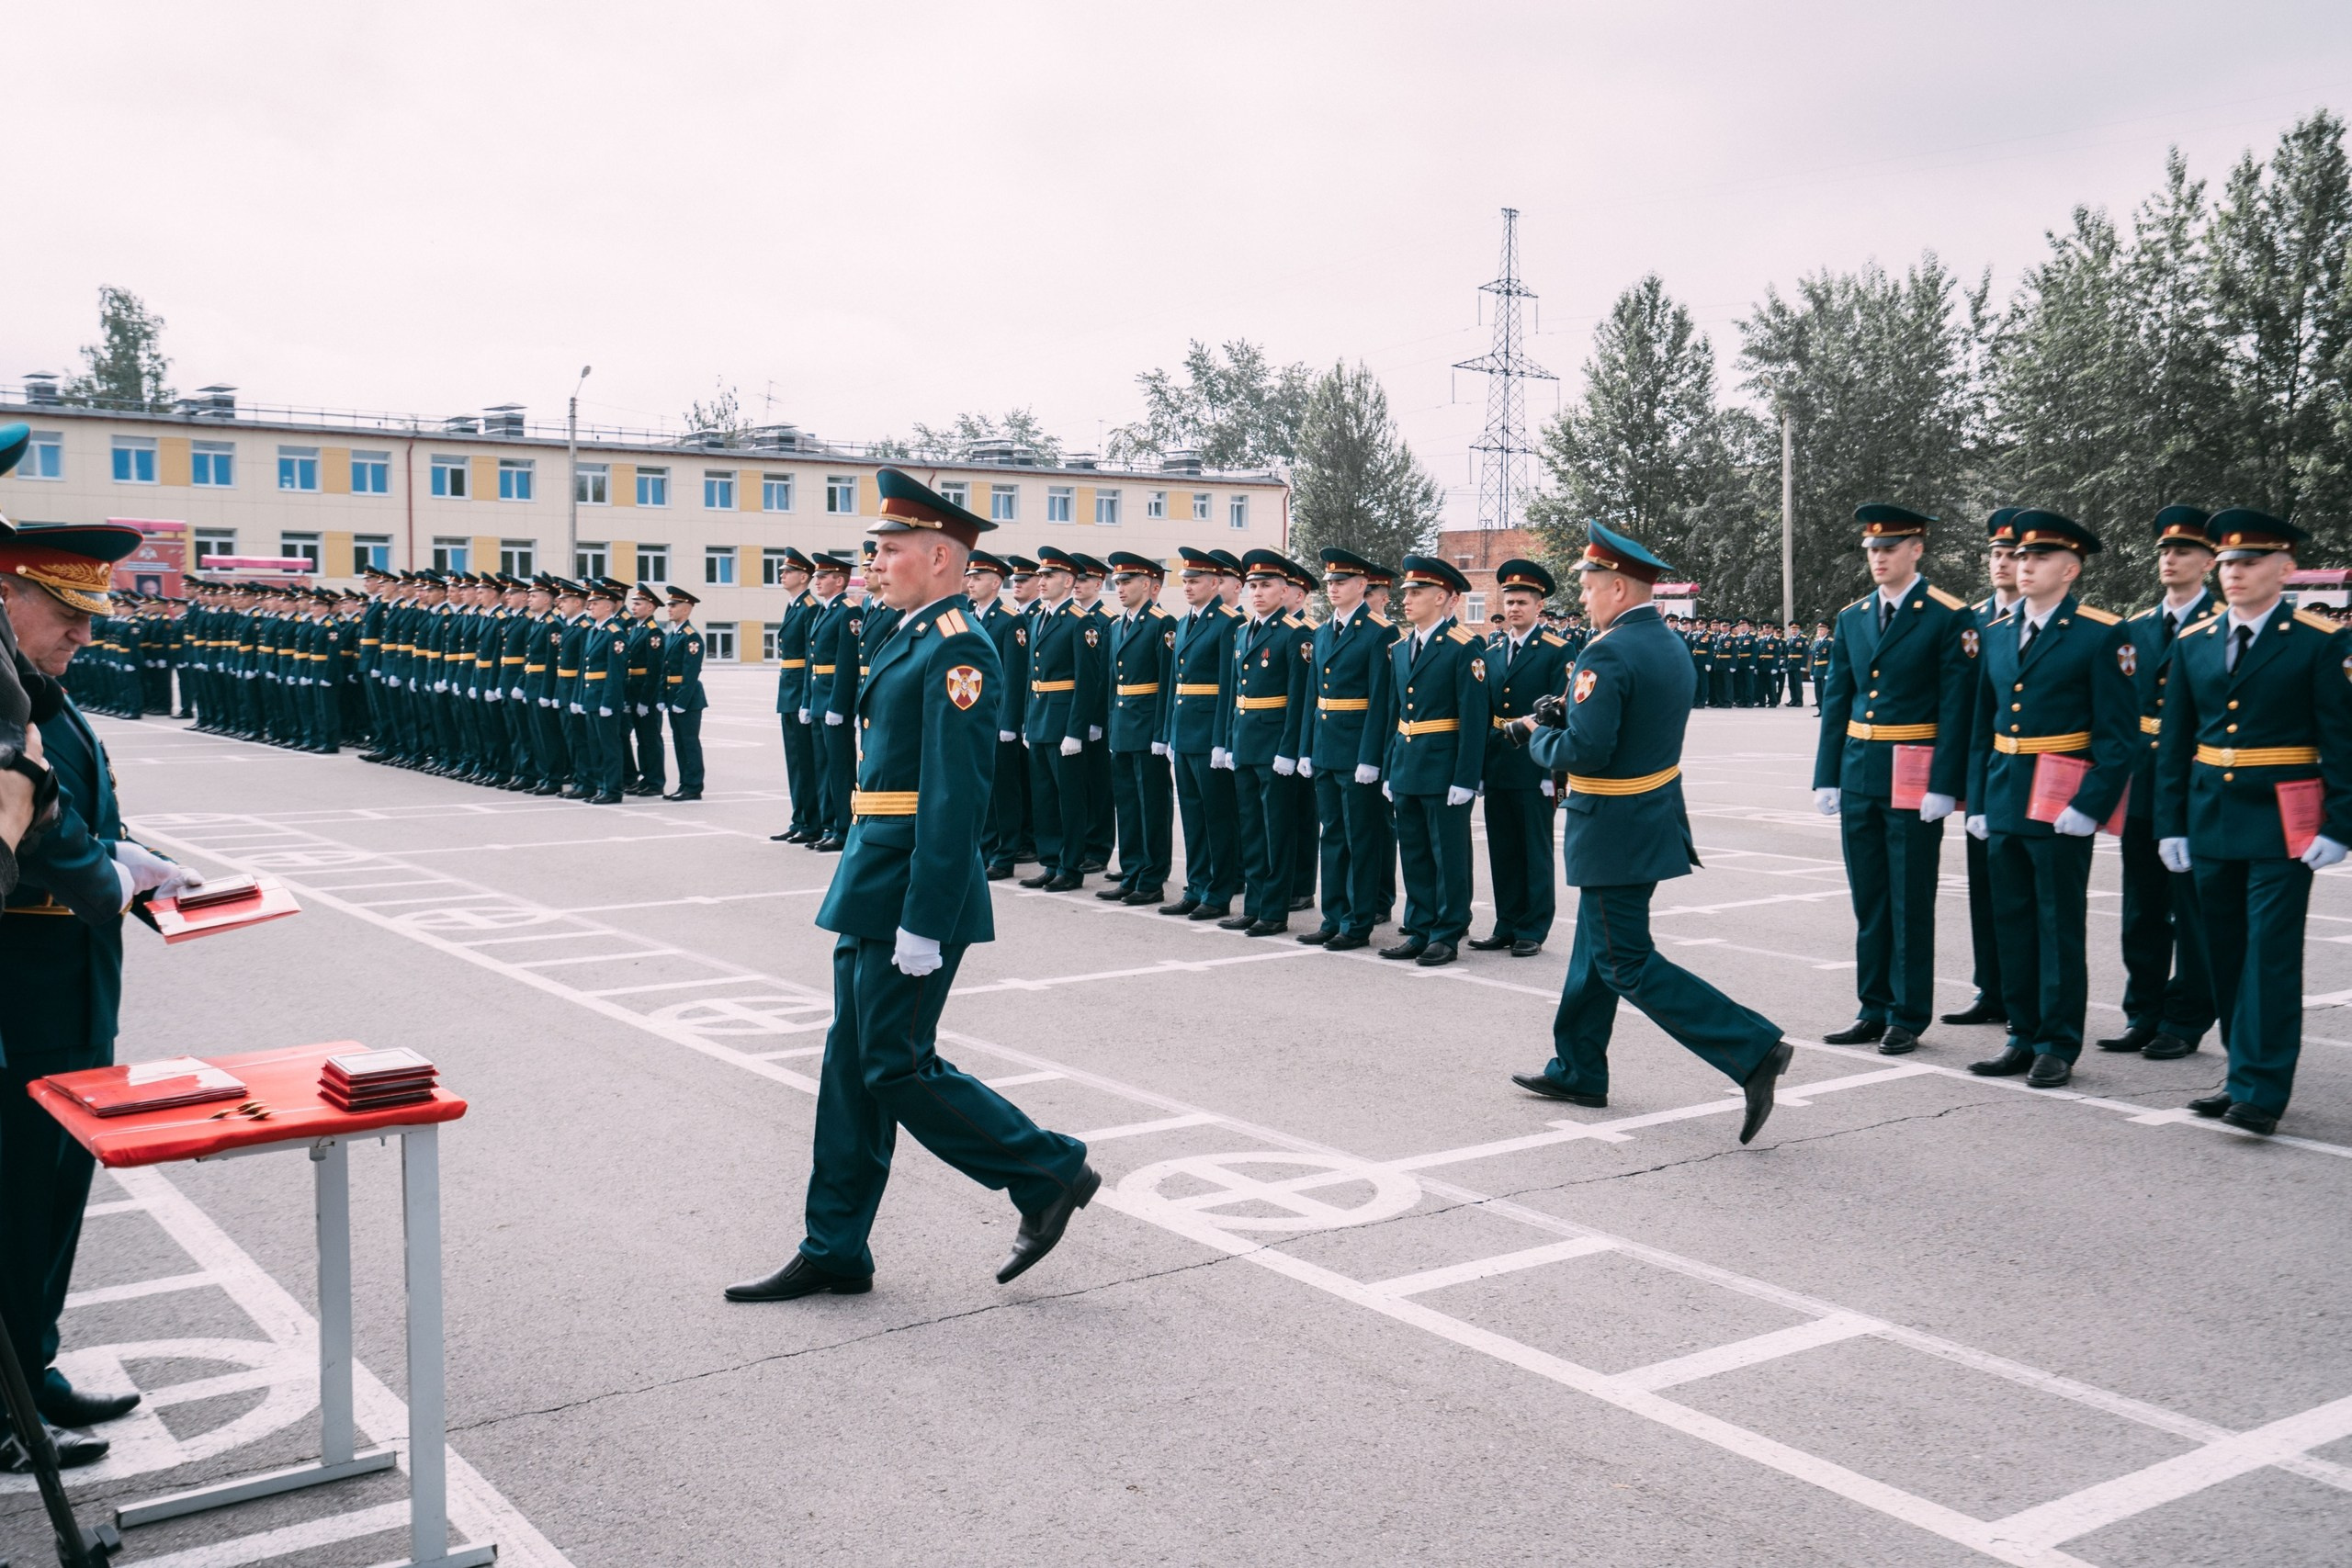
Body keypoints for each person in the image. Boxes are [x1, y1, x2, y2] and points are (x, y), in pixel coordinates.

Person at [725, 469, 1098, 1303]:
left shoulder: (960, 646)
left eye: (888, 550)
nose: (872, 564)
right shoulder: (909, 632)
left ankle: (1046, 1167)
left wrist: (926, 919)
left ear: (938, 556)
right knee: (849, 1066)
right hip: (873, 873)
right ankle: (835, 1244)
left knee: (893, 1063)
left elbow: (955, 796)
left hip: (913, 888)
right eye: (874, 550)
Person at [2, 520, 206, 1470]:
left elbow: (79, 816)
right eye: (66, 613)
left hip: (75, 985)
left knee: (53, 1194)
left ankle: (30, 1365)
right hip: (24, 991)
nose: (84, 635)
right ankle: (5, 1407)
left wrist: (136, 862)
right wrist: (112, 876)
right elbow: (38, 837)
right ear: (7, 597)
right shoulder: (11, 702)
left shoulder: (42, 693)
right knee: (14, 1200)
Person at [1504, 522, 1792, 1142]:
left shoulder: (1606, 652)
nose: (1582, 598)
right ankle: (1578, 1067)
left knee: (1624, 960)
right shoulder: (1666, 642)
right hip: (1649, 816)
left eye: (1588, 587)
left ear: (1616, 588)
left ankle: (1752, 1048)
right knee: (1595, 948)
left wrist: (1538, 736)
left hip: (1614, 826)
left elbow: (1587, 749)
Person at [2155, 509, 2351, 1135]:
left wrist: (2340, 825)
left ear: (2285, 569)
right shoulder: (2195, 640)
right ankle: (2241, 1073)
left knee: (2269, 955)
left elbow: (2341, 740)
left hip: (2282, 823)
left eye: (2250, 562)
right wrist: (2170, 823)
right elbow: (2175, 743)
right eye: (2227, 562)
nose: (2234, 572)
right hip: (2210, 818)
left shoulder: (2320, 641)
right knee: (2225, 954)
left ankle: (2261, 1091)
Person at [1963, 510, 2137, 1089]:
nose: (2024, 565)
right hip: (2005, 796)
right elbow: (1982, 726)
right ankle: (2021, 1032)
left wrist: (2089, 806)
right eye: (2020, 556)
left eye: (2039, 557)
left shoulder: (2100, 633)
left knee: (2058, 925)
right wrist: (1978, 801)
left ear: (2070, 570)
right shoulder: (1996, 631)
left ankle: (2058, 1043)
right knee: (2011, 922)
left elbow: (2118, 736)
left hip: (2062, 803)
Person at [1813, 503, 1977, 1055]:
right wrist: (1827, 775)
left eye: (1890, 548)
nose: (1879, 558)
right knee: (1870, 900)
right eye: (1873, 550)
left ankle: (1907, 1014)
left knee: (1909, 901)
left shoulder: (1948, 615)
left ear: (1916, 549)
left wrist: (1946, 784)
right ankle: (1872, 1006)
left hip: (1915, 776)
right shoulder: (1853, 616)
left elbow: (1957, 708)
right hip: (1860, 771)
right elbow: (1838, 699)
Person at [2098, 506, 2218, 1060]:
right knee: (2142, 907)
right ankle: (2142, 1012)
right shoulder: (2137, 628)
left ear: (2209, 562)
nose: (2170, 559)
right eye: (2165, 551)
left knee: (2193, 909)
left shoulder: (2221, 624)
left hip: (2199, 778)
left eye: (2184, 551)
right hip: (2144, 781)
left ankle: (2186, 1018)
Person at [1378, 555, 1487, 967]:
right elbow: (1394, 713)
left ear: (1442, 597)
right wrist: (1389, 768)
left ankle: (1447, 931)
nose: (1406, 599)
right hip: (1407, 763)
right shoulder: (1401, 648)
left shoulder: (1464, 646)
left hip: (1444, 768)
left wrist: (1466, 777)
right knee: (1415, 853)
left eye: (1417, 592)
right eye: (1406, 592)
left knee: (1449, 856)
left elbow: (1474, 718)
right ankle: (1420, 927)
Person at [1942, 511, 2024, 1028]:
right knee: (1983, 887)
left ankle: (2022, 996)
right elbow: (1960, 705)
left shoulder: (2052, 620)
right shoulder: (1969, 619)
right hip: (1985, 770)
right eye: (1996, 555)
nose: (2003, 564)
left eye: (2013, 555)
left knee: (2023, 896)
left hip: (2030, 769)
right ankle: (1990, 988)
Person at [1296, 549, 1397, 950]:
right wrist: (1306, 748)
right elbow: (1312, 696)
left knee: (1361, 838)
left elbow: (1381, 700)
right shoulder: (1323, 632)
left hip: (1357, 751)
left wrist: (1371, 758)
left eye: (1342, 582)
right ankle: (1333, 916)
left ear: (1361, 585)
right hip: (1325, 747)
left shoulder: (1379, 631)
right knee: (1333, 836)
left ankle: (1357, 922)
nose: (1333, 588)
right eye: (1330, 583)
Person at [1472, 559, 1573, 956]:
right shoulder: (1493, 651)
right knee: (1503, 848)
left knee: (1534, 849)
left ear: (1538, 606)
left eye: (1522, 602)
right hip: (1499, 760)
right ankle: (1506, 923)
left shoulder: (1557, 650)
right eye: (1510, 602)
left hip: (1534, 763)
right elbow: (1485, 711)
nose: (1514, 608)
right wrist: (1480, 767)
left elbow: (1562, 713)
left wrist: (1552, 772)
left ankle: (1533, 927)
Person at [1160, 547, 1242, 921]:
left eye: (1195, 581)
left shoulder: (1229, 623)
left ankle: (1218, 892)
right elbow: (1175, 684)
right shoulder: (1183, 622)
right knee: (1192, 817)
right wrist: (1169, 733)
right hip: (1184, 731)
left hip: (1209, 733)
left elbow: (1229, 687)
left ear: (1214, 583)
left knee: (1217, 817)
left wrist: (1222, 741)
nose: (1188, 587)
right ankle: (1195, 887)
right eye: (1186, 581)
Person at [1096, 552, 1176, 906]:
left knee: (1152, 806)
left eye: (1126, 582)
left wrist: (1161, 734)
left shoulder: (1162, 623)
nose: (1120, 588)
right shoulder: (1116, 626)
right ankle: (1131, 873)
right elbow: (1112, 683)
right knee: (1127, 805)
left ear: (1147, 584)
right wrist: (1111, 725)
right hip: (1123, 725)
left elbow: (1168, 682)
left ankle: (1152, 878)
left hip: (1147, 726)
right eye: (1117, 583)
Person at [1020, 547, 1101, 892]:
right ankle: (1050, 862)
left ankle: (1070, 867)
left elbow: (1087, 680)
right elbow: (1031, 675)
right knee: (1044, 798)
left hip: (1064, 720)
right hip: (1040, 718)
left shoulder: (1081, 621)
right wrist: (1027, 722)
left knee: (1069, 799)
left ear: (1068, 581)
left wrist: (1075, 730)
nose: (1041, 581)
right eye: (1040, 576)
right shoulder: (1039, 618)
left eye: (1049, 576)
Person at [967, 550, 1031, 880]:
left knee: (1004, 790)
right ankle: (983, 848)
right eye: (969, 577)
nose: (970, 583)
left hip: (998, 718)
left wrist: (1010, 723)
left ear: (995, 583)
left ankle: (1004, 855)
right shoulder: (968, 616)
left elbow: (1015, 677)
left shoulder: (1010, 620)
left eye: (977, 578)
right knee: (980, 789)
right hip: (972, 718)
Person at [804, 553, 859, 851]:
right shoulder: (824, 610)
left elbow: (847, 662)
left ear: (839, 580)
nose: (817, 581)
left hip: (833, 700)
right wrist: (807, 701)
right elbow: (812, 661)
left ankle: (843, 827)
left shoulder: (849, 611)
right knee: (823, 766)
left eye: (823, 577)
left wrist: (838, 705)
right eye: (817, 577)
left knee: (840, 768)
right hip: (819, 697)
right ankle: (829, 825)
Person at [770, 547, 821, 842]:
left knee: (805, 761)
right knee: (795, 761)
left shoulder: (810, 608)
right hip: (788, 690)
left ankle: (811, 822)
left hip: (799, 689)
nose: (782, 575)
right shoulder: (794, 606)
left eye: (788, 571)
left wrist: (806, 699)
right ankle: (799, 818)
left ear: (804, 577)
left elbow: (811, 658)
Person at [661, 587, 707, 800]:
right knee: (679, 743)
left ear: (686, 609)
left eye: (674, 605)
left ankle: (693, 786)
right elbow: (665, 669)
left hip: (687, 699)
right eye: (669, 605)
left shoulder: (691, 637)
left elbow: (691, 673)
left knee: (689, 742)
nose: (669, 609)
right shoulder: (672, 636)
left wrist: (681, 700)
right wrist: (662, 697)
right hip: (673, 695)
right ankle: (684, 784)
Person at [623, 584, 668, 797]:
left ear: (650, 607)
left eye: (638, 604)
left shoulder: (654, 632)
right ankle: (646, 778)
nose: (634, 607)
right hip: (634, 689)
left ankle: (655, 782)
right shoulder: (636, 629)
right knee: (641, 740)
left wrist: (646, 699)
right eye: (633, 603)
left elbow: (655, 670)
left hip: (646, 693)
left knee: (651, 739)